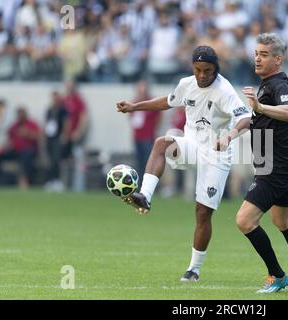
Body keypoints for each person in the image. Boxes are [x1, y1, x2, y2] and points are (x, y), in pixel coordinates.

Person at [116, 45, 251, 282]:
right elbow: (168, 101)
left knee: (202, 214)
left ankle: (194, 269)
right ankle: (145, 197)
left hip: (217, 154)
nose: (202, 75)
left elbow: (246, 118)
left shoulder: (225, 90)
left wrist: (229, 136)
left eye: (207, 70)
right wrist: (134, 107)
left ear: (215, 68)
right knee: (161, 143)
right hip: (191, 145)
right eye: (197, 69)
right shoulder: (186, 84)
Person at [235, 33, 288, 293]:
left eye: (263, 54)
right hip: (275, 164)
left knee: (244, 220)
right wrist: (230, 134)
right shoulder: (267, 84)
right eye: (256, 53)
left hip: (274, 168)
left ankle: (277, 275)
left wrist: (260, 108)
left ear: (278, 59)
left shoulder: (280, 85)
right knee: (283, 221)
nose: (257, 58)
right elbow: (263, 122)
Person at [0, 106, 40, 189]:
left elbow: (38, 136)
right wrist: (2, 149)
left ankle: (24, 180)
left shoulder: (32, 124)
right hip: (16, 150)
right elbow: (9, 139)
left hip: (29, 150)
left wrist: (27, 133)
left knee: (26, 156)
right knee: (0, 156)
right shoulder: (14, 125)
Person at [129, 80, 161, 189]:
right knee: (139, 162)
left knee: (149, 163)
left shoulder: (151, 102)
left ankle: (149, 186)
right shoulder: (134, 103)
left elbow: (158, 118)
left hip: (148, 137)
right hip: (137, 137)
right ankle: (138, 185)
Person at [61, 81, 89, 192]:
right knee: (64, 162)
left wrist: (78, 131)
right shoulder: (64, 100)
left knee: (79, 161)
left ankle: (79, 186)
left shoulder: (79, 101)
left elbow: (83, 118)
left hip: (75, 137)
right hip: (66, 137)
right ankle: (64, 185)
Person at [43, 91, 71, 192]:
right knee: (50, 160)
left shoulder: (63, 110)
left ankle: (58, 181)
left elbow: (67, 122)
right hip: (50, 137)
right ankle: (51, 180)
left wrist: (64, 135)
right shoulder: (49, 110)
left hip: (58, 138)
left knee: (57, 160)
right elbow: (46, 124)